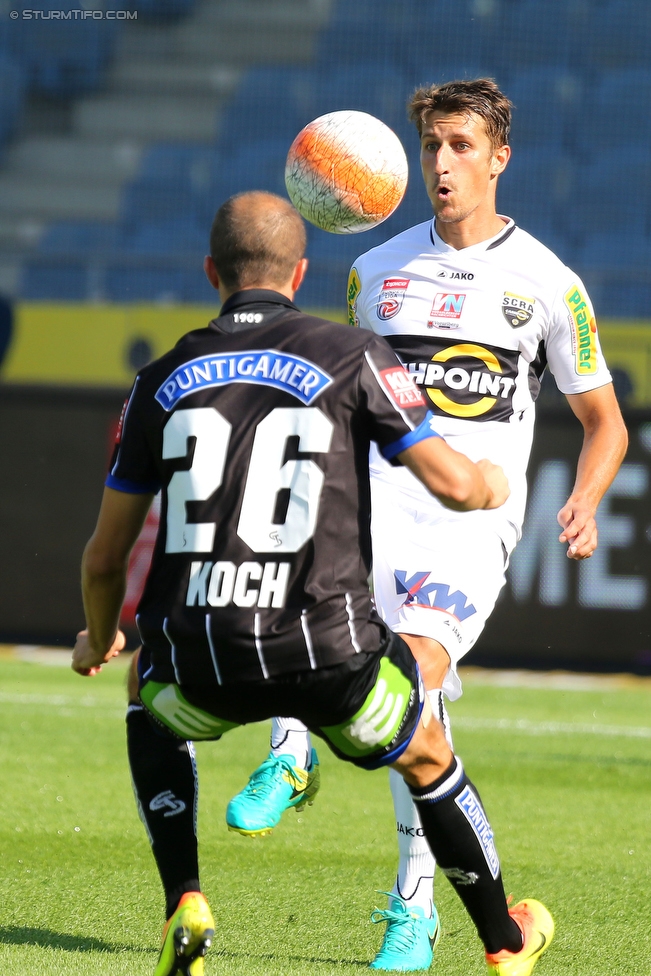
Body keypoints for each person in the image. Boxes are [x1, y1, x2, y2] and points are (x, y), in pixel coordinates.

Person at [72, 190, 554, 976]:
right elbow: (454, 487)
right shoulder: (351, 353)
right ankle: (502, 942)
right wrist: (495, 484)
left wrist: (101, 634)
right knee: (425, 751)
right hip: (330, 658)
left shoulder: (157, 381)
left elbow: (103, 557)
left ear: (209, 272)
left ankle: (184, 899)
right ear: (300, 273)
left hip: (204, 659)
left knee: (143, 692)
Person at [229, 80, 628, 972]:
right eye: (430, 148)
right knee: (310, 637)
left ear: (497, 157)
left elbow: (605, 422)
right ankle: (292, 759)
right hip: (366, 508)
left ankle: (413, 911)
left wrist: (585, 498)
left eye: (458, 146)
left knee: (407, 687)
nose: (441, 165)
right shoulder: (375, 272)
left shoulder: (549, 285)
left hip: (466, 526)